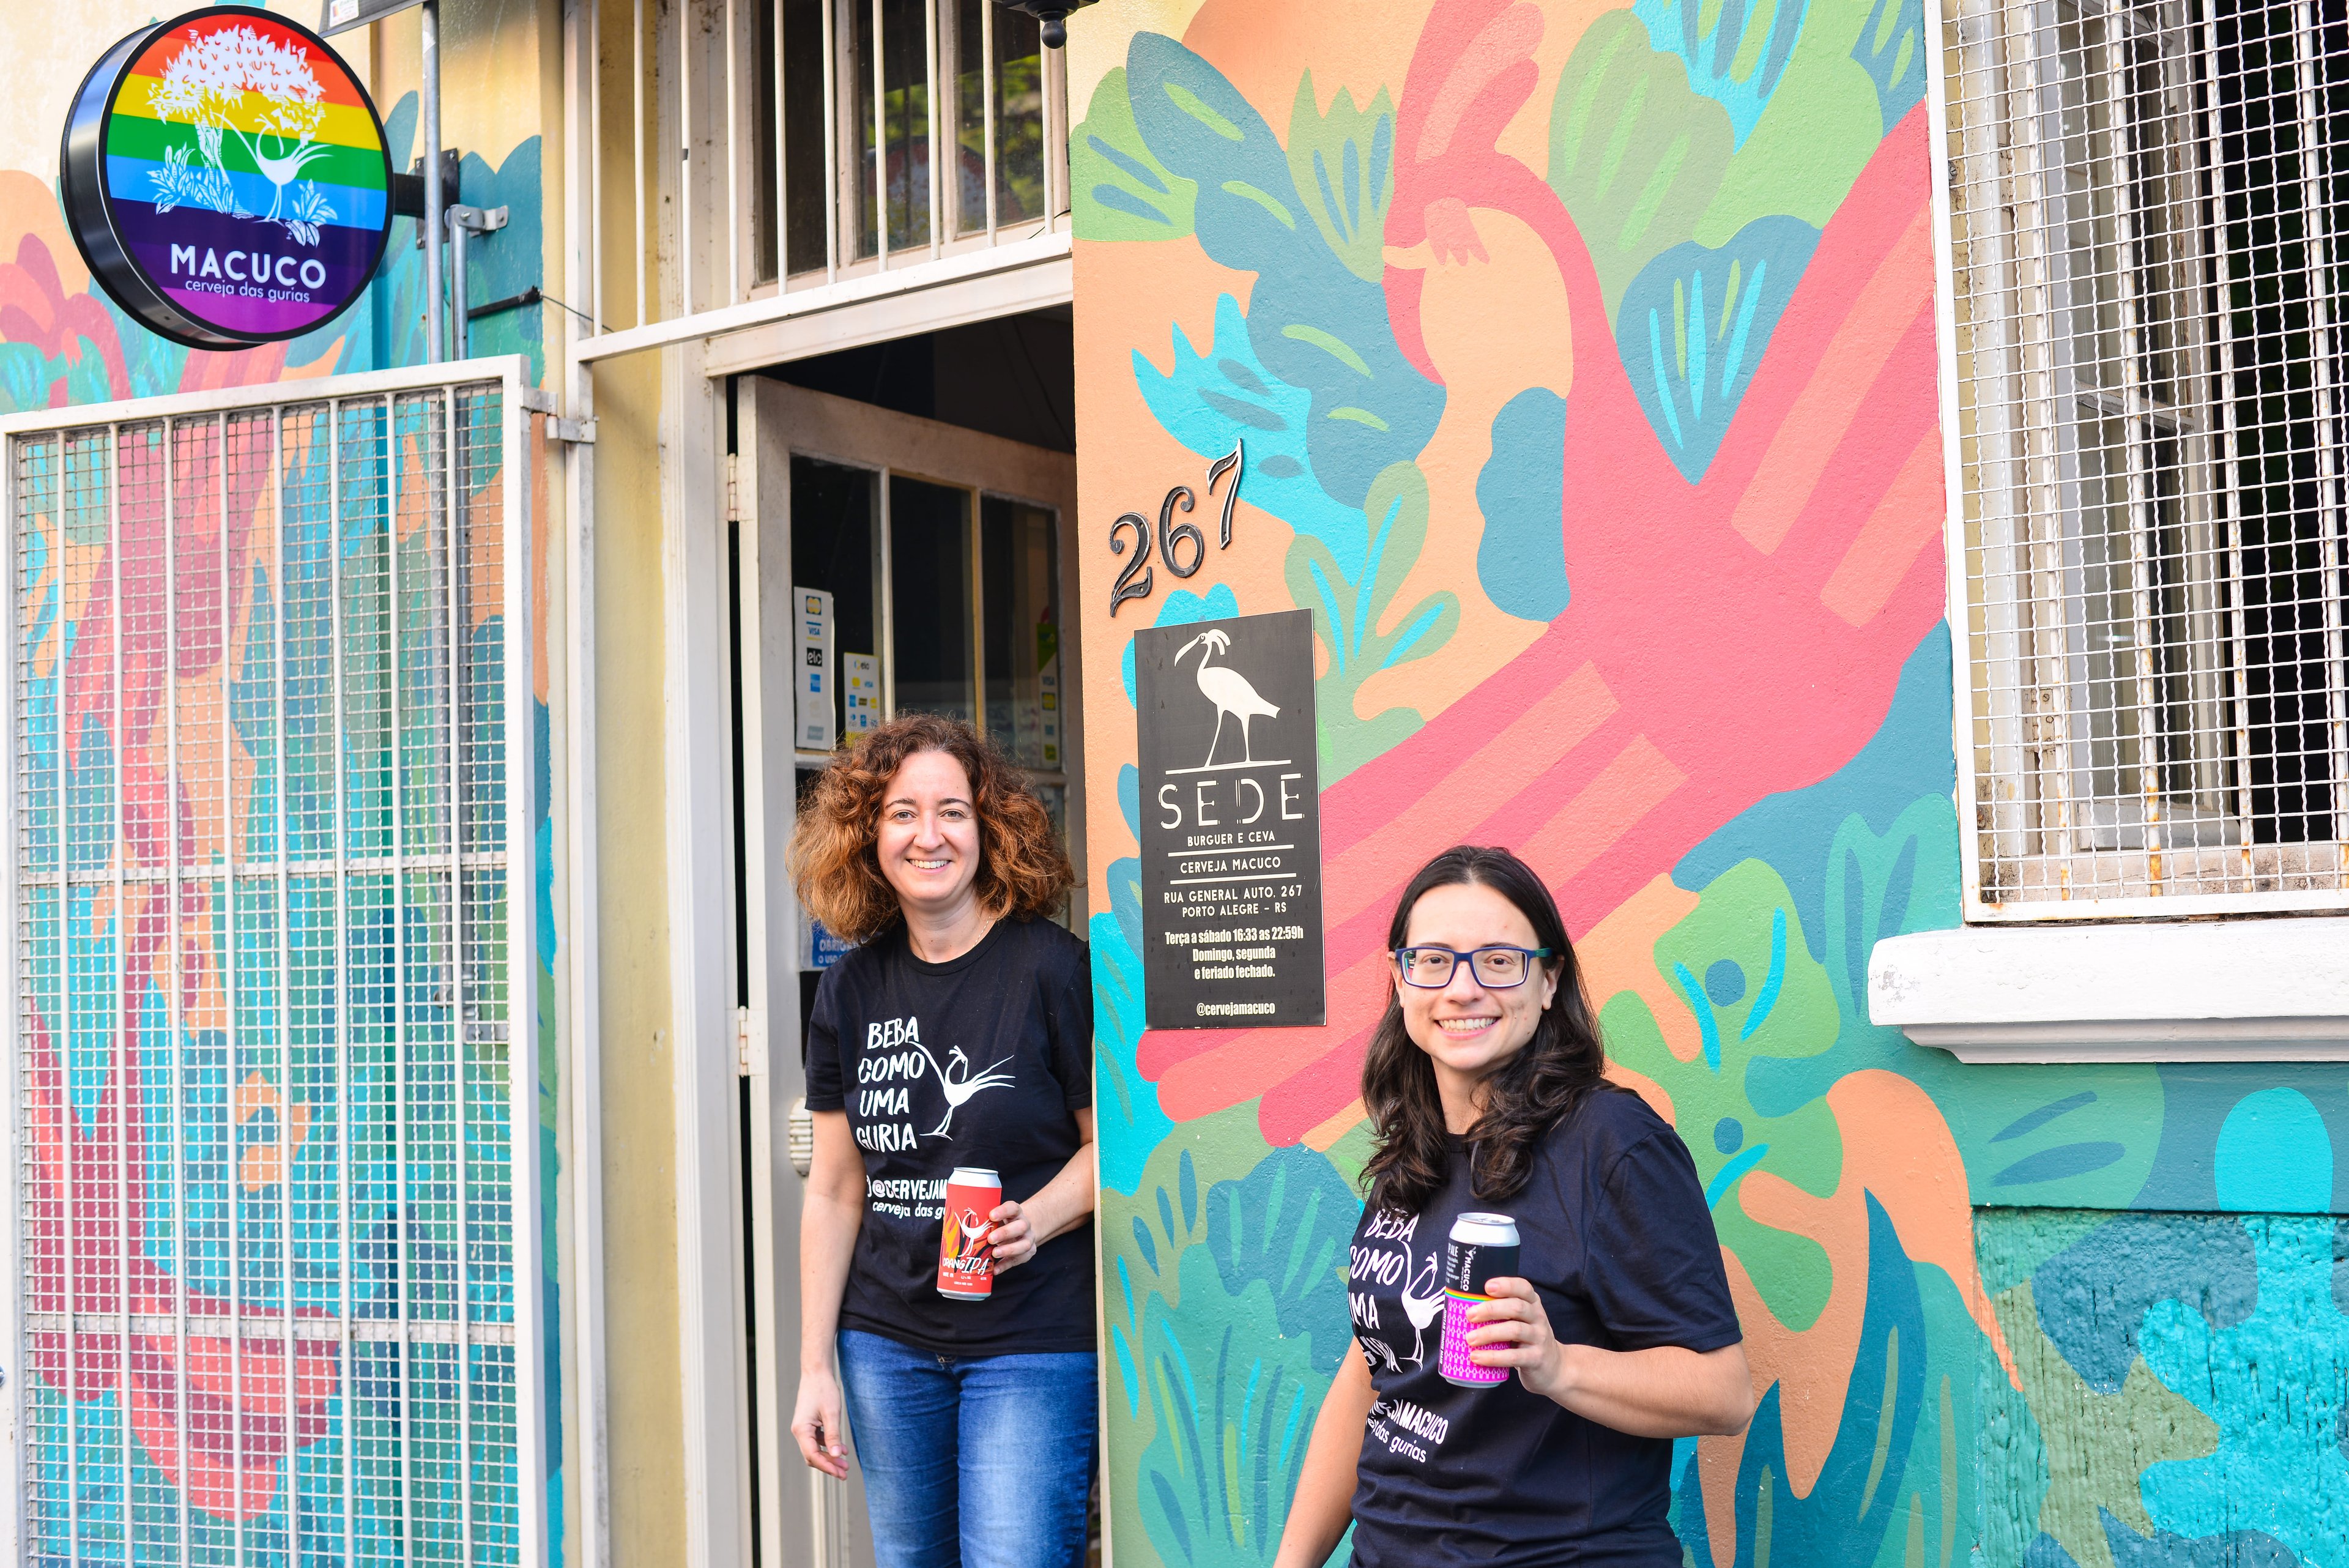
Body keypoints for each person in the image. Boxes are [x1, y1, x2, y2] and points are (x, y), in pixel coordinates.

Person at [1274, 845, 1754, 1567]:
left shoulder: (1612, 1143)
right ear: (1401, 983)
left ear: (1550, 979)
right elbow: (1370, 1373)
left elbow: (1724, 1392)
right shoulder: (1416, 1148)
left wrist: (1557, 1364)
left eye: (1499, 960)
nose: (1463, 988)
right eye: (1432, 960)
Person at [788, 713, 1097, 1568]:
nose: (930, 835)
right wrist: (816, 1364)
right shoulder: (850, 986)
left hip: (1029, 1340)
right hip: (886, 1342)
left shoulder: (1051, 968)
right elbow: (835, 1187)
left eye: (953, 811)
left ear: (990, 827)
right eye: (902, 812)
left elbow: (1112, 1148)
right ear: (868, 834)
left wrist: (1036, 1217)